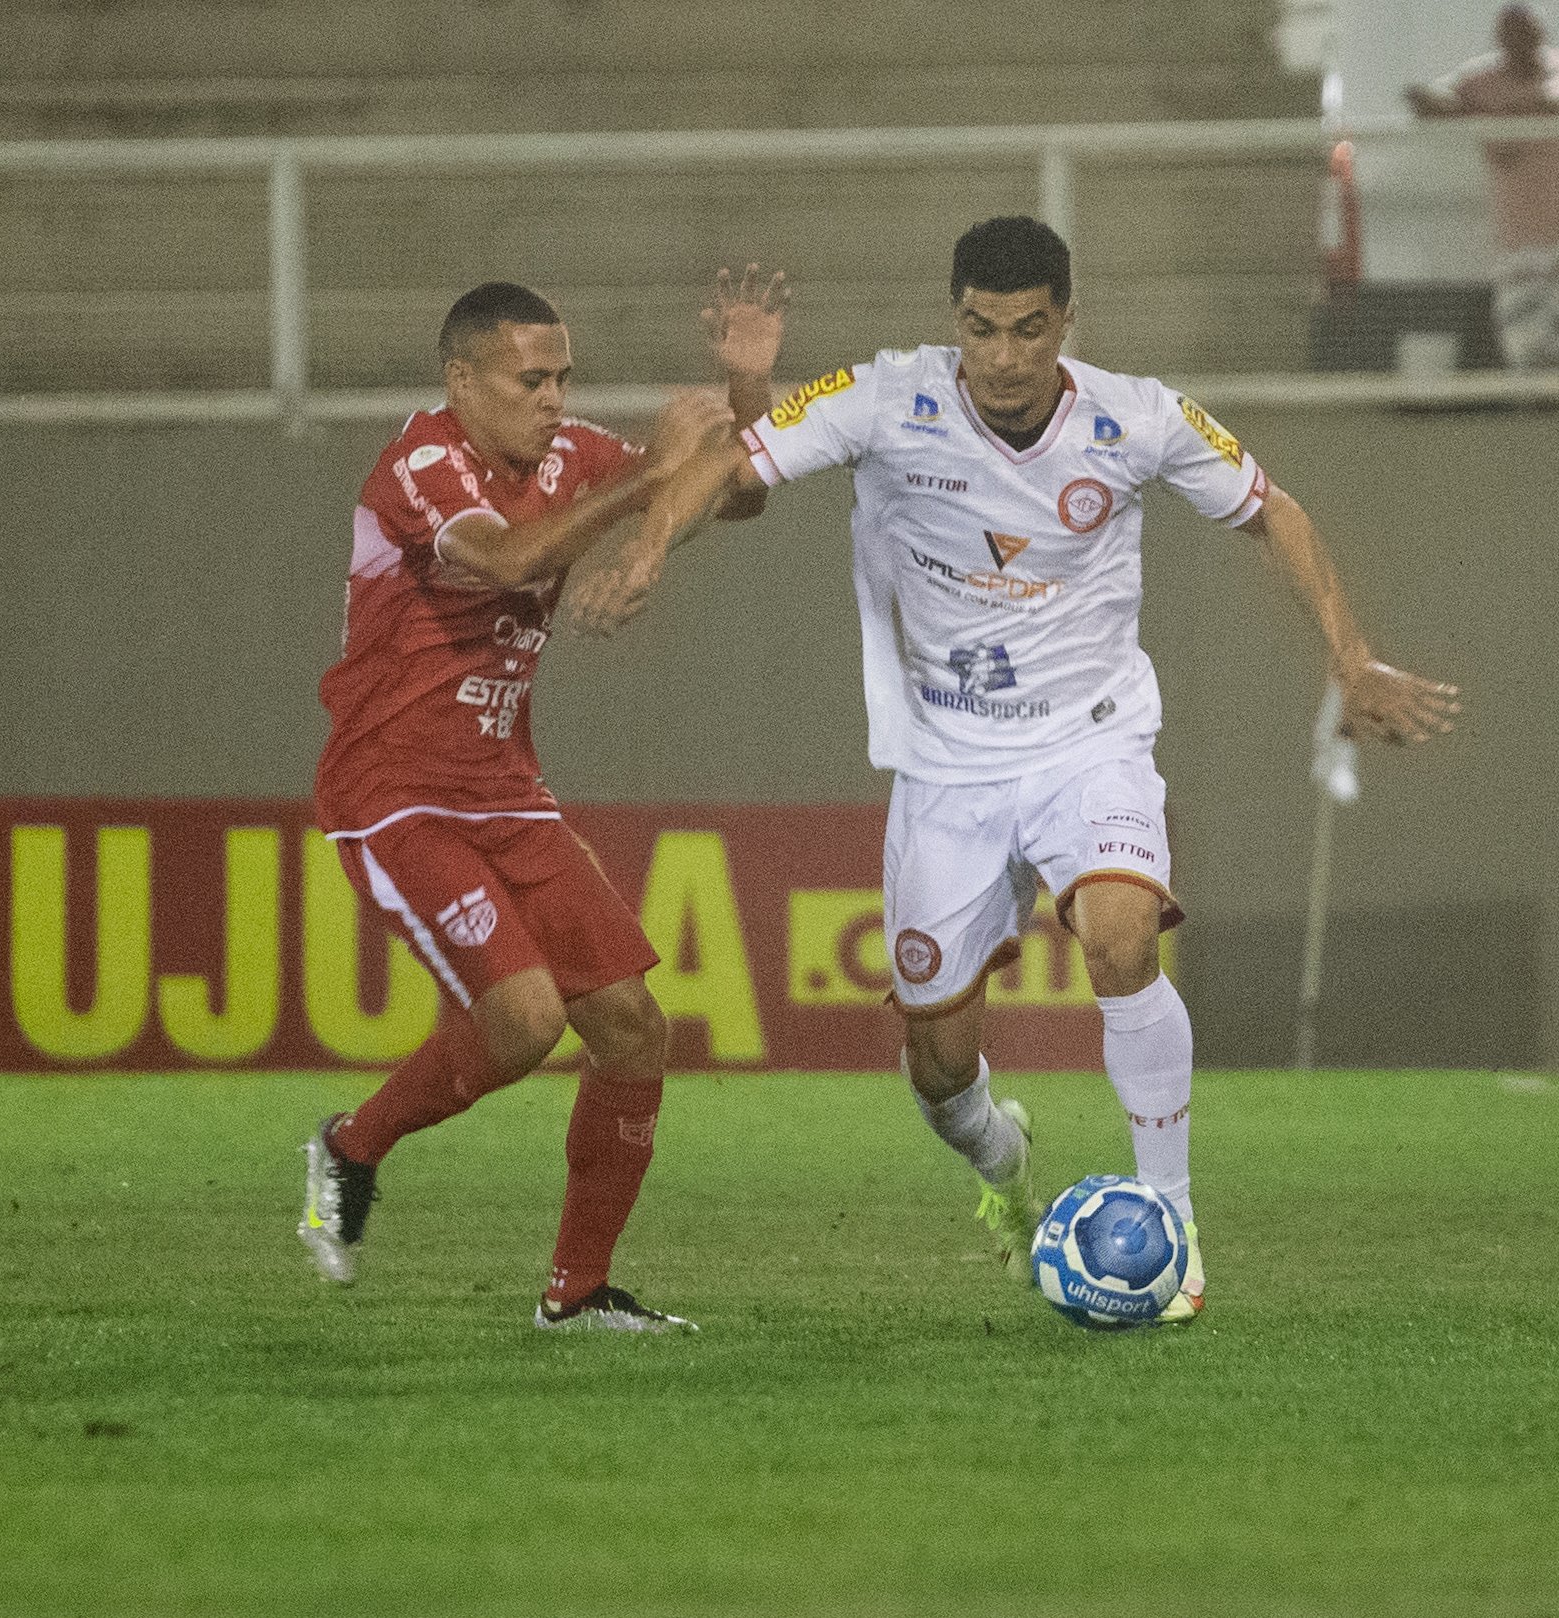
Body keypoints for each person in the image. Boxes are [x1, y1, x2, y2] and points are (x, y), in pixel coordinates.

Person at [616, 219, 1461, 1324]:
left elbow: (1275, 512)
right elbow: (733, 466)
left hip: (1089, 742)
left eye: (1028, 330)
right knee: (937, 1059)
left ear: (1068, 319)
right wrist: (645, 551)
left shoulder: (1136, 416)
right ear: (952, 319)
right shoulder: (886, 397)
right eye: (980, 329)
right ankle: (1005, 1171)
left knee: (1118, 937)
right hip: (945, 769)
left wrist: (1351, 658)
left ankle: (1173, 1223)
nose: (1004, 358)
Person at [297, 275, 780, 1332]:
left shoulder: (565, 457)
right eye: (531, 378)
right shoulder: (419, 466)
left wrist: (744, 400)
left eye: (564, 377)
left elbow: (737, 491)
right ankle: (351, 1146)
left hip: (507, 792)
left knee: (634, 1029)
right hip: (397, 795)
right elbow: (515, 556)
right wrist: (654, 469)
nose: (555, 398)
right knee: (521, 1022)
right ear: (461, 377)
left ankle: (578, 1293)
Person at [1407, 4, 1559, 369]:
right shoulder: (1480, 81)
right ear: (1500, 40)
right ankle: (1541, 410)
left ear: (1541, 36)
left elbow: (1557, 101)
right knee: (1525, 338)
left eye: (1529, 34)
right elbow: (1423, 100)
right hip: (1518, 232)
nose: (1523, 43)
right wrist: (1466, 109)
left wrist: (1493, 114)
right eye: (1513, 35)